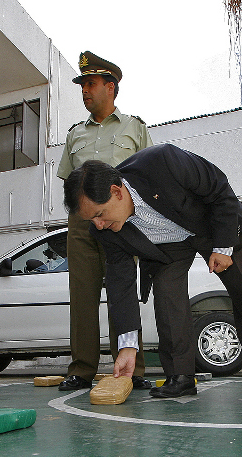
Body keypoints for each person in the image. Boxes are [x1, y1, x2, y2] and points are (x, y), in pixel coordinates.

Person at [62, 144, 242, 398]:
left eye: (100, 214)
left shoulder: (163, 162)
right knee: (167, 297)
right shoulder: (105, 231)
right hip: (167, 248)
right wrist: (127, 346)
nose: (99, 225)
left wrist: (223, 247)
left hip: (210, 226)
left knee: (241, 285)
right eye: (92, 220)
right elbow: (119, 283)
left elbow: (219, 188)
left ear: (117, 191)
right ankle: (181, 376)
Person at [56, 51, 153, 392]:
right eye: (82, 84)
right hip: (82, 227)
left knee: (121, 292)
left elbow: (146, 175)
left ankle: (132, 367)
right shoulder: (74, 134)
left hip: (119, 223)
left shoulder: (134, 128)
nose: (85, 90)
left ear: (110, 87)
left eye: (91, 84)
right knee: (81, 297)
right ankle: (82, 368)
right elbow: (68, 182)